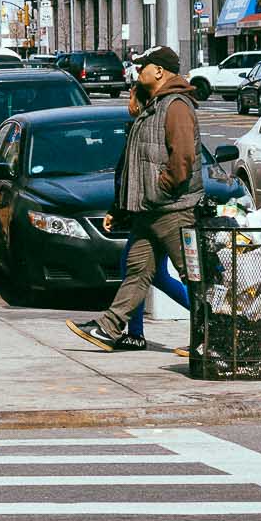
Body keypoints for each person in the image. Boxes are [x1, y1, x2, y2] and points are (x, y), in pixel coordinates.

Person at [69, 44, 202, 353]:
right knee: (138, 270)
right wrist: (123, 208)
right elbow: (135, 165)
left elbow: (181, 159)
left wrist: (160, 190)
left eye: (143, 66)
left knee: (194, 276)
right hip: (148, 211)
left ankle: (217, 338)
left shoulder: (176, 105)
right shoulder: (154, 106)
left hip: (172, 210)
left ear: (159, 71)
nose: (137, 71)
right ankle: (108, 328)